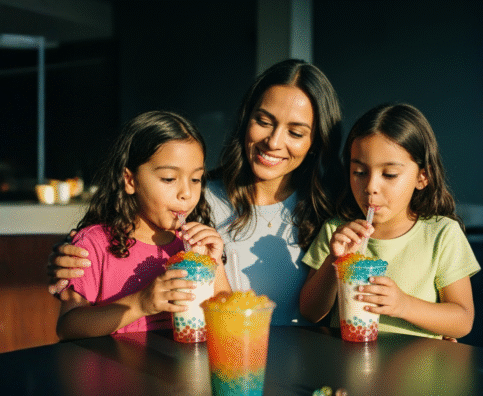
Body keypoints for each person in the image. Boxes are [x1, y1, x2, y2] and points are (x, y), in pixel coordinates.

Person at [48, 59, 343, 326]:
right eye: (263, 121)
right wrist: (72, 257)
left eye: (295, 132)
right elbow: (126, 233)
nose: (274, 141)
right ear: (245, 120)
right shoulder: (197, 201)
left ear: (317, 141)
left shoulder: (331, 212)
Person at [299, 103, 479, 339]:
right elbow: (310, 313)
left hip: (417, 372)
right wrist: (336, 260)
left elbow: (463, 320)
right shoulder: (337, 231)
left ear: (423, 176)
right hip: (350, 368)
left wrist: (403, 305)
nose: (371, 187)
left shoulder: (442, 234)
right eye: (359, 172)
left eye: (389, 174)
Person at [56, 111, 230, 341]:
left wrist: (212, 265)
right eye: (169, 178)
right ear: (130, 180)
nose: (186, 193)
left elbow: (227, 320)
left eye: (196, 179)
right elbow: (69, 326)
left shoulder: (191, 245)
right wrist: (140, 303)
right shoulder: (94, 245)